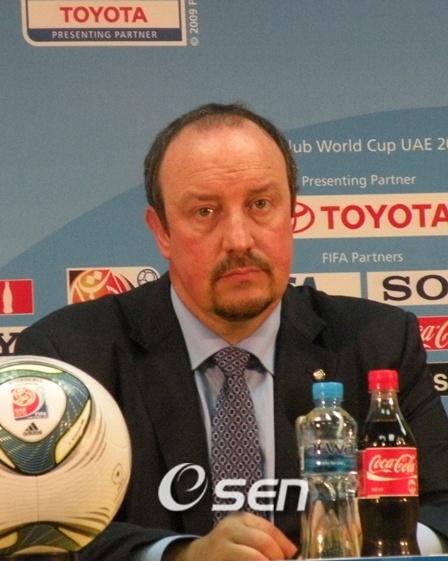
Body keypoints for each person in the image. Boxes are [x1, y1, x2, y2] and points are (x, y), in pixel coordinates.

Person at [15, 102, 448, 561]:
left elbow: (443, 507)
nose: (239, 239)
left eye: (261, 205)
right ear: (162, 232)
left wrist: (355, 547)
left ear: (292, 214)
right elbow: (35, 532)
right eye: (205, 211)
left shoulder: (376, 342)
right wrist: (179, 556)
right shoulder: (71, 357)